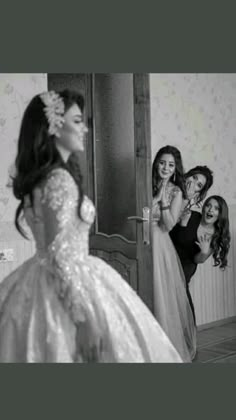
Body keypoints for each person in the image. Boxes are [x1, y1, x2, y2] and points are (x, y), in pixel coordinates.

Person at [0, 89, 182, 363]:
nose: (85, 128)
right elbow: (60, 256)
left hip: (40, 278)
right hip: (68, 280)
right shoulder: (58, 180)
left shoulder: (44, 177)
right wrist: (84, 320)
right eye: (77, 121)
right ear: (54, 127)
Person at [152, 145, 196, 362]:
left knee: (160, 294)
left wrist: (161, 200)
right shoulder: (144, 184)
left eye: (170, 164)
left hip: (160, 245)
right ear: (156, 163)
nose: (165, 168)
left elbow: (168, 225)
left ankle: (162, 349)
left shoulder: (177, 192)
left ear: (175, 168)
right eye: (162, 162)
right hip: (141, 240)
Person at [170, 195, 231, 324]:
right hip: (169, 258)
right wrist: (182, 224)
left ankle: (187, 341)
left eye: (216, 208)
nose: (210, 210)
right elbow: (173, 236)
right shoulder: (191, 216)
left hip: (185, 268)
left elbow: (198, 260)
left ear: (220, 214)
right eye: (208, 205)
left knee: (185, 311)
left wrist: (203, 251)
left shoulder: (216, 235)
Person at [169, 165, 214, 321]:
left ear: (199, 193)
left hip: (183, 265)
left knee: (183, 306)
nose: (193, 183)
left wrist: (203, 252)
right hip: (163, 254)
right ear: (188, 175)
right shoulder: (171, 189)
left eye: (199, 185)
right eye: (194, 178)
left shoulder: (190, 210)